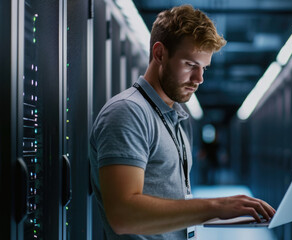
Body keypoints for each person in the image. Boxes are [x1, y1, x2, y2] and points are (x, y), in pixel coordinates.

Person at [89, 5, 275, 240]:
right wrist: (215, 206)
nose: (199, 79)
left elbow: (172, 203)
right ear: (159, 54)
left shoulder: (175, 118)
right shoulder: (128, 112)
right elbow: (123, 215)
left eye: (204, 68)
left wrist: (228, 213)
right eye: (190, 65)